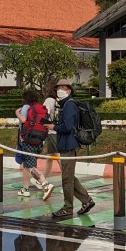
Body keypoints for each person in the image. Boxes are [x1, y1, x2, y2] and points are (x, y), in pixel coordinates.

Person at [49, 79, 95, 220]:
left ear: (69, 90)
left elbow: (68, 127)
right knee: (69, 177)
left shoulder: (69, 105)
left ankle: (67, 208)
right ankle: (87, 200)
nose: (60, 90)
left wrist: (54, 127)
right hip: (67, 145)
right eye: (58, 87)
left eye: (63, 87)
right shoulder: (66, 105)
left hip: (69, 145)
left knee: (66, 179)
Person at [14, 89, 55, 199]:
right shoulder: (40, 108)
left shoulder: (27, 108)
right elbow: (45, 123)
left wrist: (17, 112)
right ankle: (25, 189)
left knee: (31, 166)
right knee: (27, 165)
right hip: (40, 140)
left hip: (28, 140)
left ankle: (46, 184)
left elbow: (23, 120)